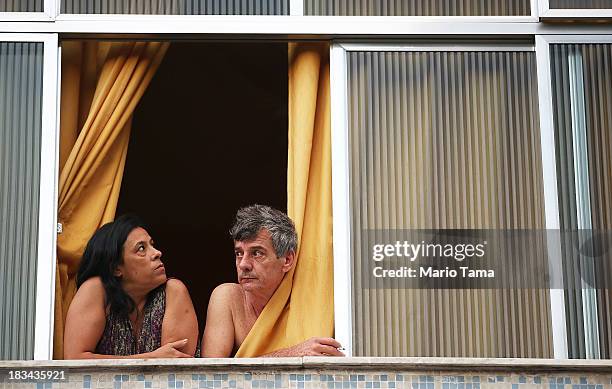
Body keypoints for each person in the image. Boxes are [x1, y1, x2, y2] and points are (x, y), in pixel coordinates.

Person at [201, 205, 344, 357]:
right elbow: (211, 375)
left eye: (257, 253)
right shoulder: (228, 297)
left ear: (287, 260)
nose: (243, 264)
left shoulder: (309, 303)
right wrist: (290, 354)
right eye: (239, 253)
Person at [63, 214, 199, 359]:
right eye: (141, 249)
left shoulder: (173, 291)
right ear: (116, 268)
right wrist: (149, 358)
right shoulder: (96, 290)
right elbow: (75, 360)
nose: (157, 253)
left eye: (152, 245)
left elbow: (174, 366)